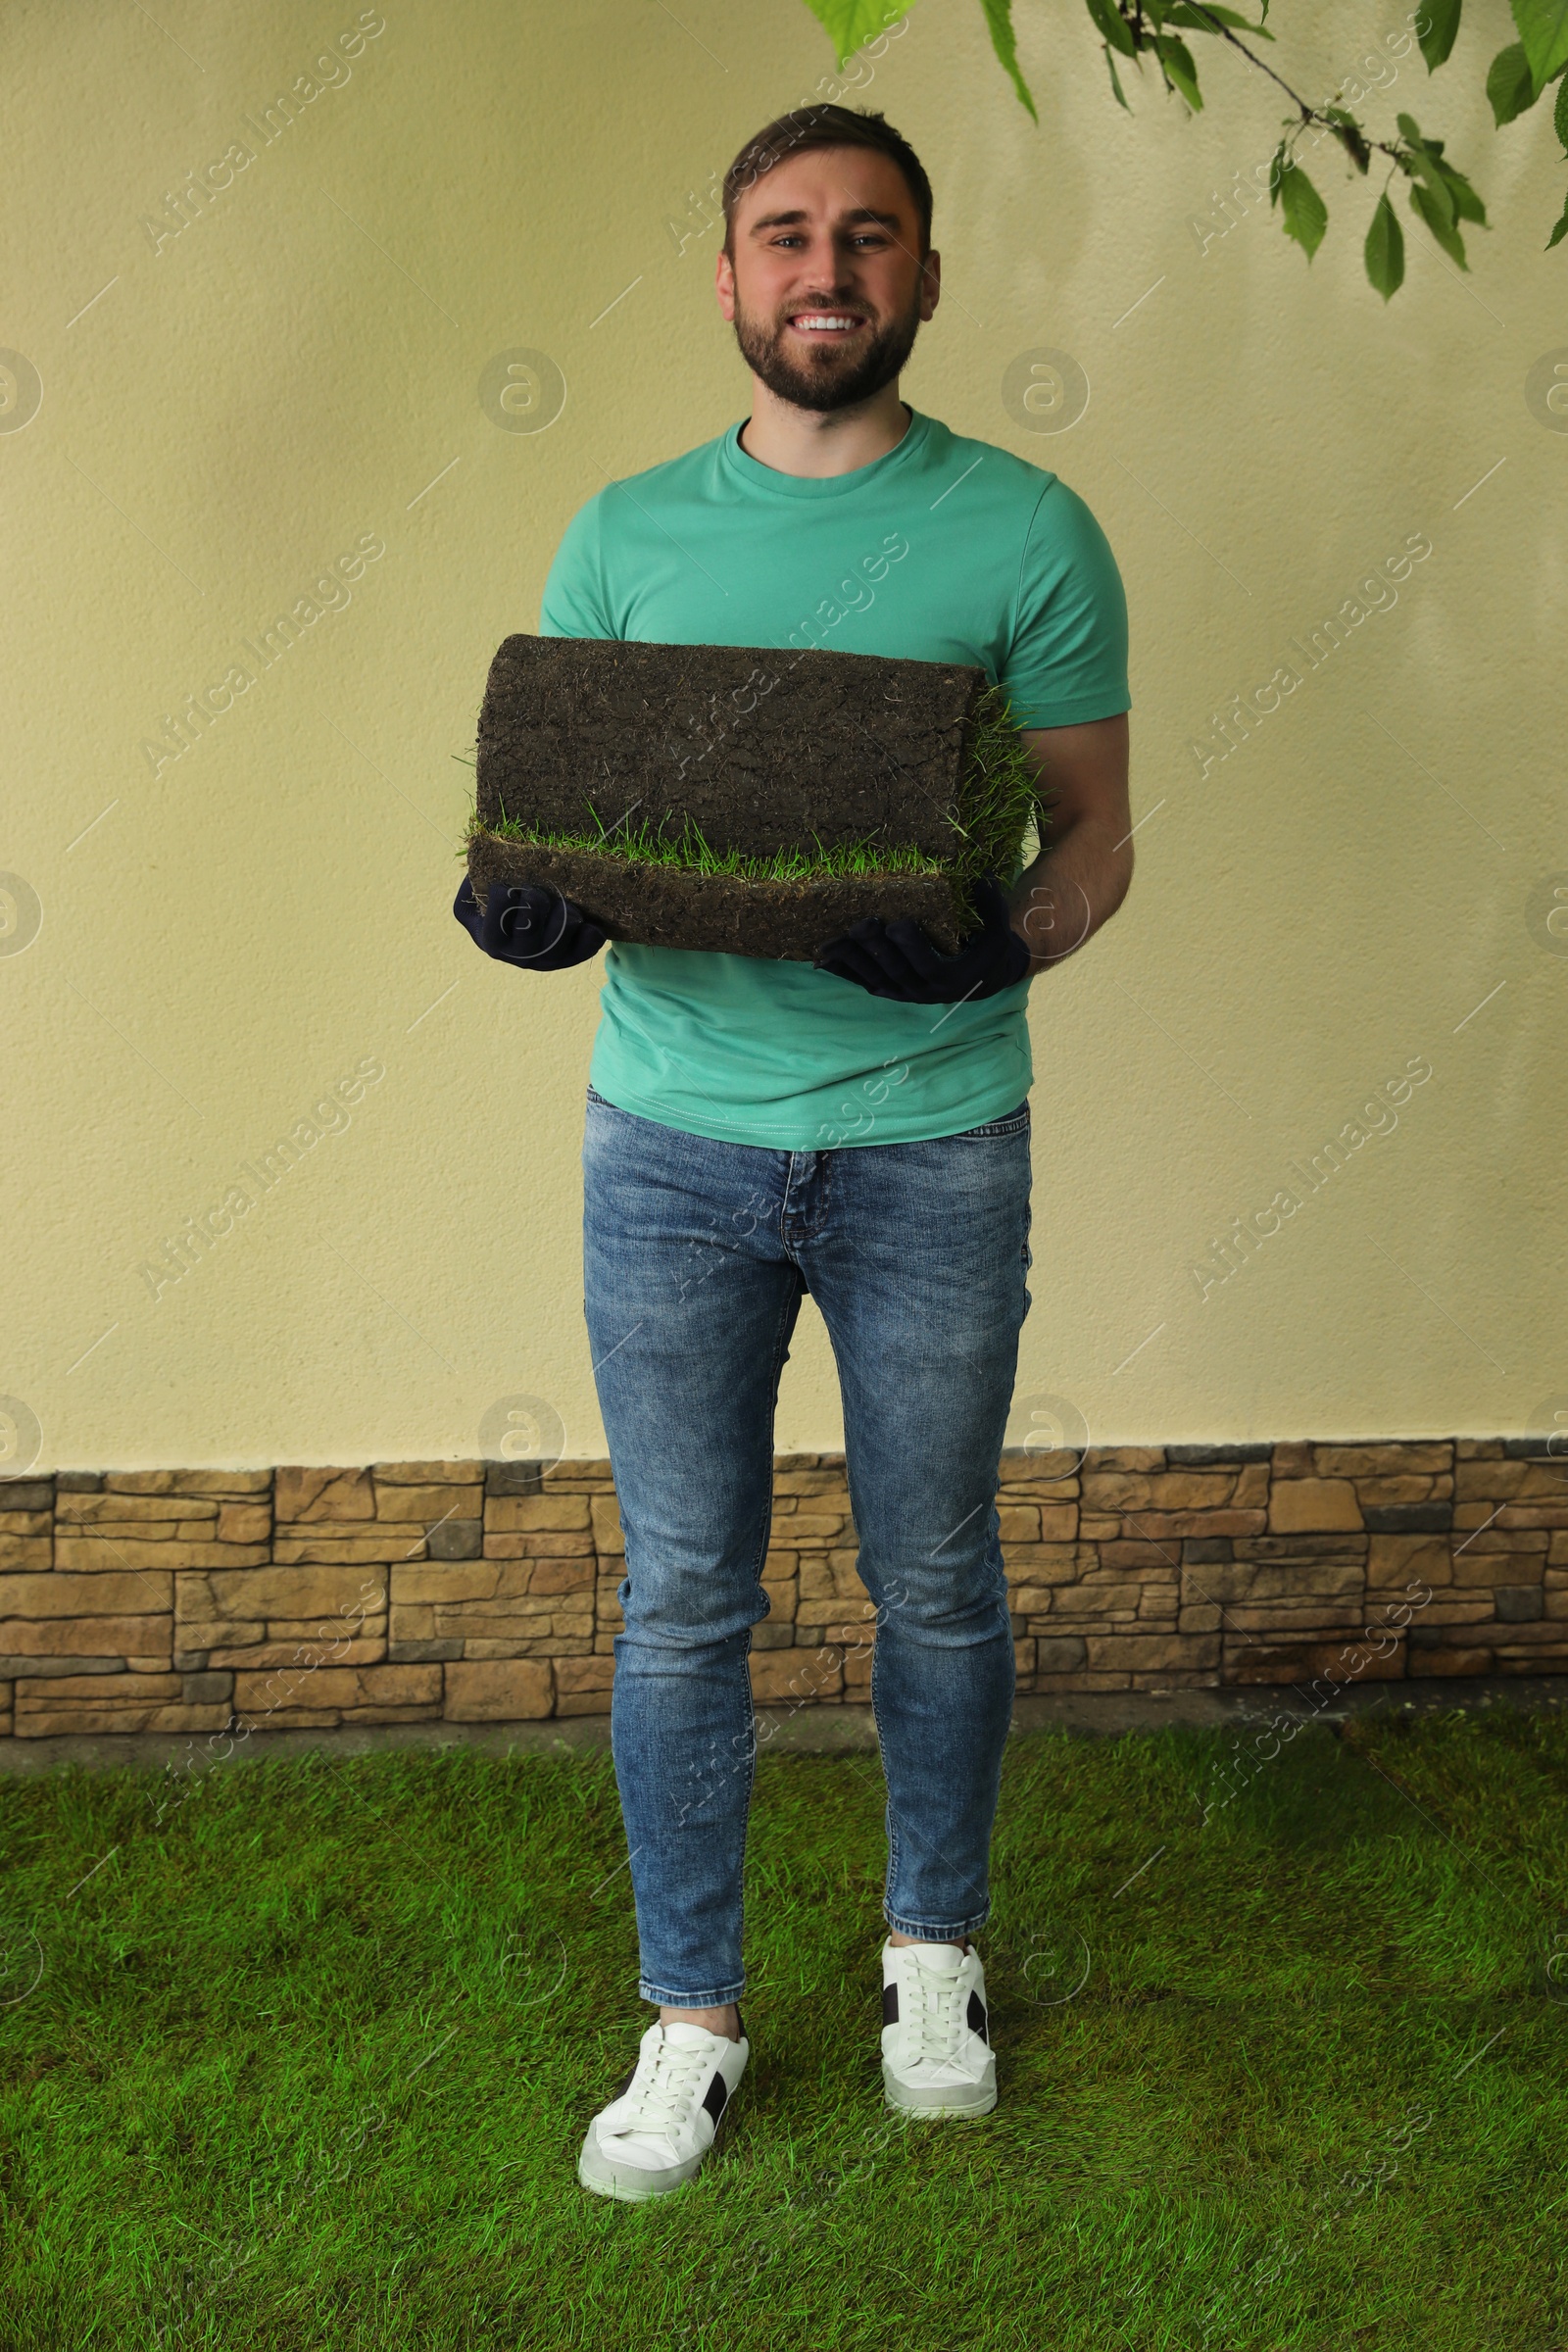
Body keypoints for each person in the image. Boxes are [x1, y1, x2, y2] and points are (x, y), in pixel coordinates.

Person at [454, 102, 1134, 2204]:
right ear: (728, 278)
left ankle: (929, 1955)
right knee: (681, 1599)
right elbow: (559, 811)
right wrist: (513, 903)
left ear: (924, 278)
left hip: (933, 1142)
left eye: (866, 237)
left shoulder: (1027, 532)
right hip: (666, 1143)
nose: (821, 270)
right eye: (780, 237)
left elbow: (1097, 844)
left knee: (932, 1578)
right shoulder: (621, 534)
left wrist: (982, 957)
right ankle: (692, 2015)